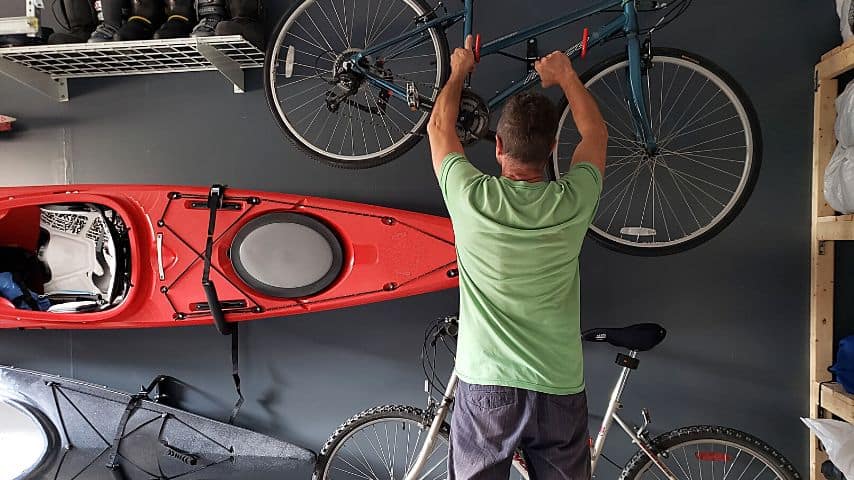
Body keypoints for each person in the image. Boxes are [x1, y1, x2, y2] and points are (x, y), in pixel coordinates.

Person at [426, 35, 608, 480]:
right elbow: (596, 133)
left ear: (498, 148)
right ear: (551, 153)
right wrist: (565, 75)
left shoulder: (470, 196)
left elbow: (438, 129)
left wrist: (458, 71)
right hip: (558, 386)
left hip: (487, 381)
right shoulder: (572, 201)